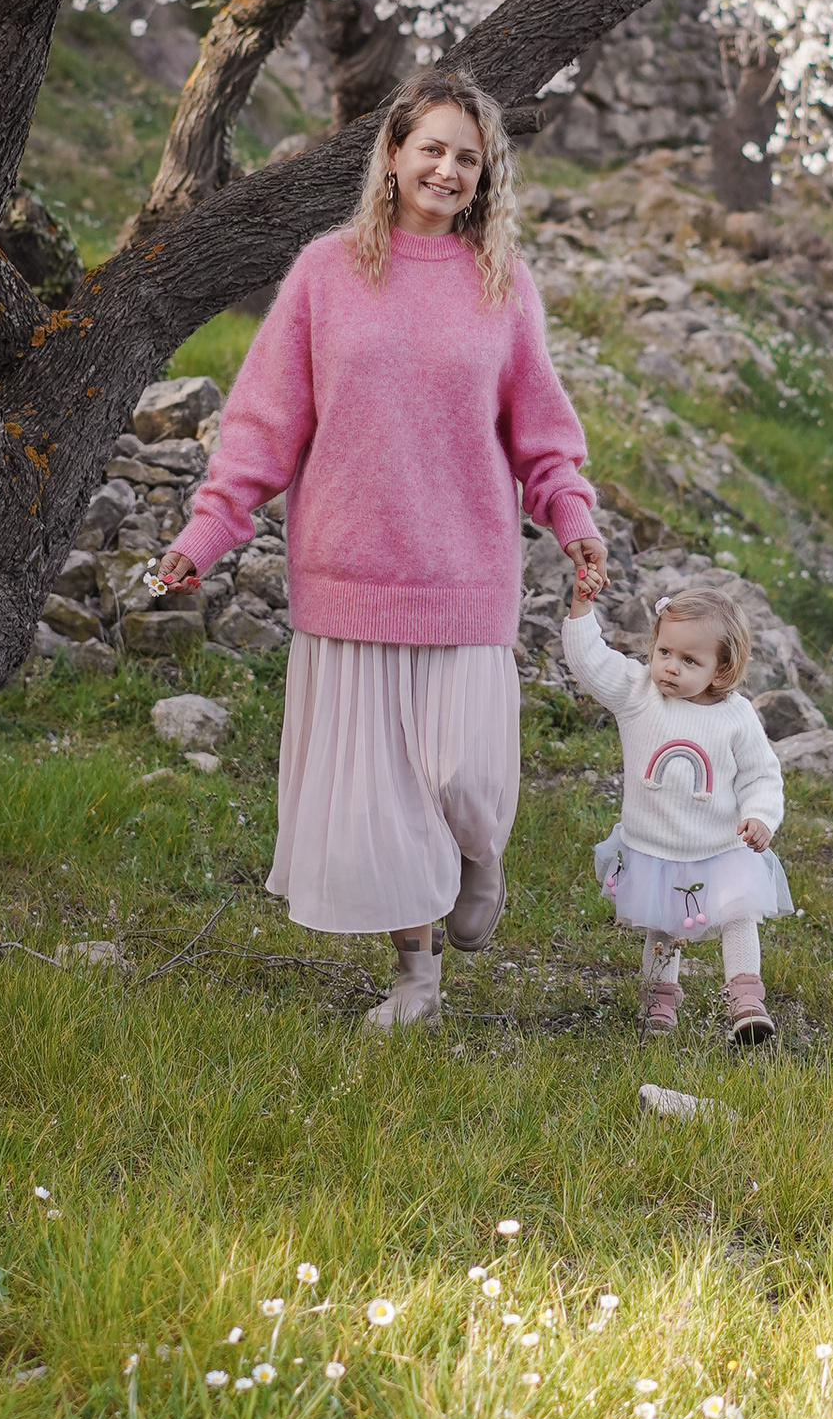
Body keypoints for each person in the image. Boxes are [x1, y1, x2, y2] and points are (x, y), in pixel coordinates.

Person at [155, 66, 605, 1028]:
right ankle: (417, 979)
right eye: (431, 149)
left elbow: (542, 433)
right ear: (393, 155)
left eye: (467, 158)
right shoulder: (327, 272)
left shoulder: (501, 284)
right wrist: (208, 530)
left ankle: (480, 859)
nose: (446, 169)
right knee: (391, 806)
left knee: (467, 780)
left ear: (485, 178)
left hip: (466, 575)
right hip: (351, 575)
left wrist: (572, 517)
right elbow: (263, 425)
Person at [560, 575, 790, 1045]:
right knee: (664, 925)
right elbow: (591, 662)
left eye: (690, 660)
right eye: (664, 652)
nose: (670, 667)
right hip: (654, 848)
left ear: (721, 671)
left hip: (721, 845)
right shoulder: (638, 693)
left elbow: (761, 774)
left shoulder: (735, 715)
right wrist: (581, 611)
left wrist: (762, 816)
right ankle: (659, 1002)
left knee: (738, 912)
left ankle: (746, 998)